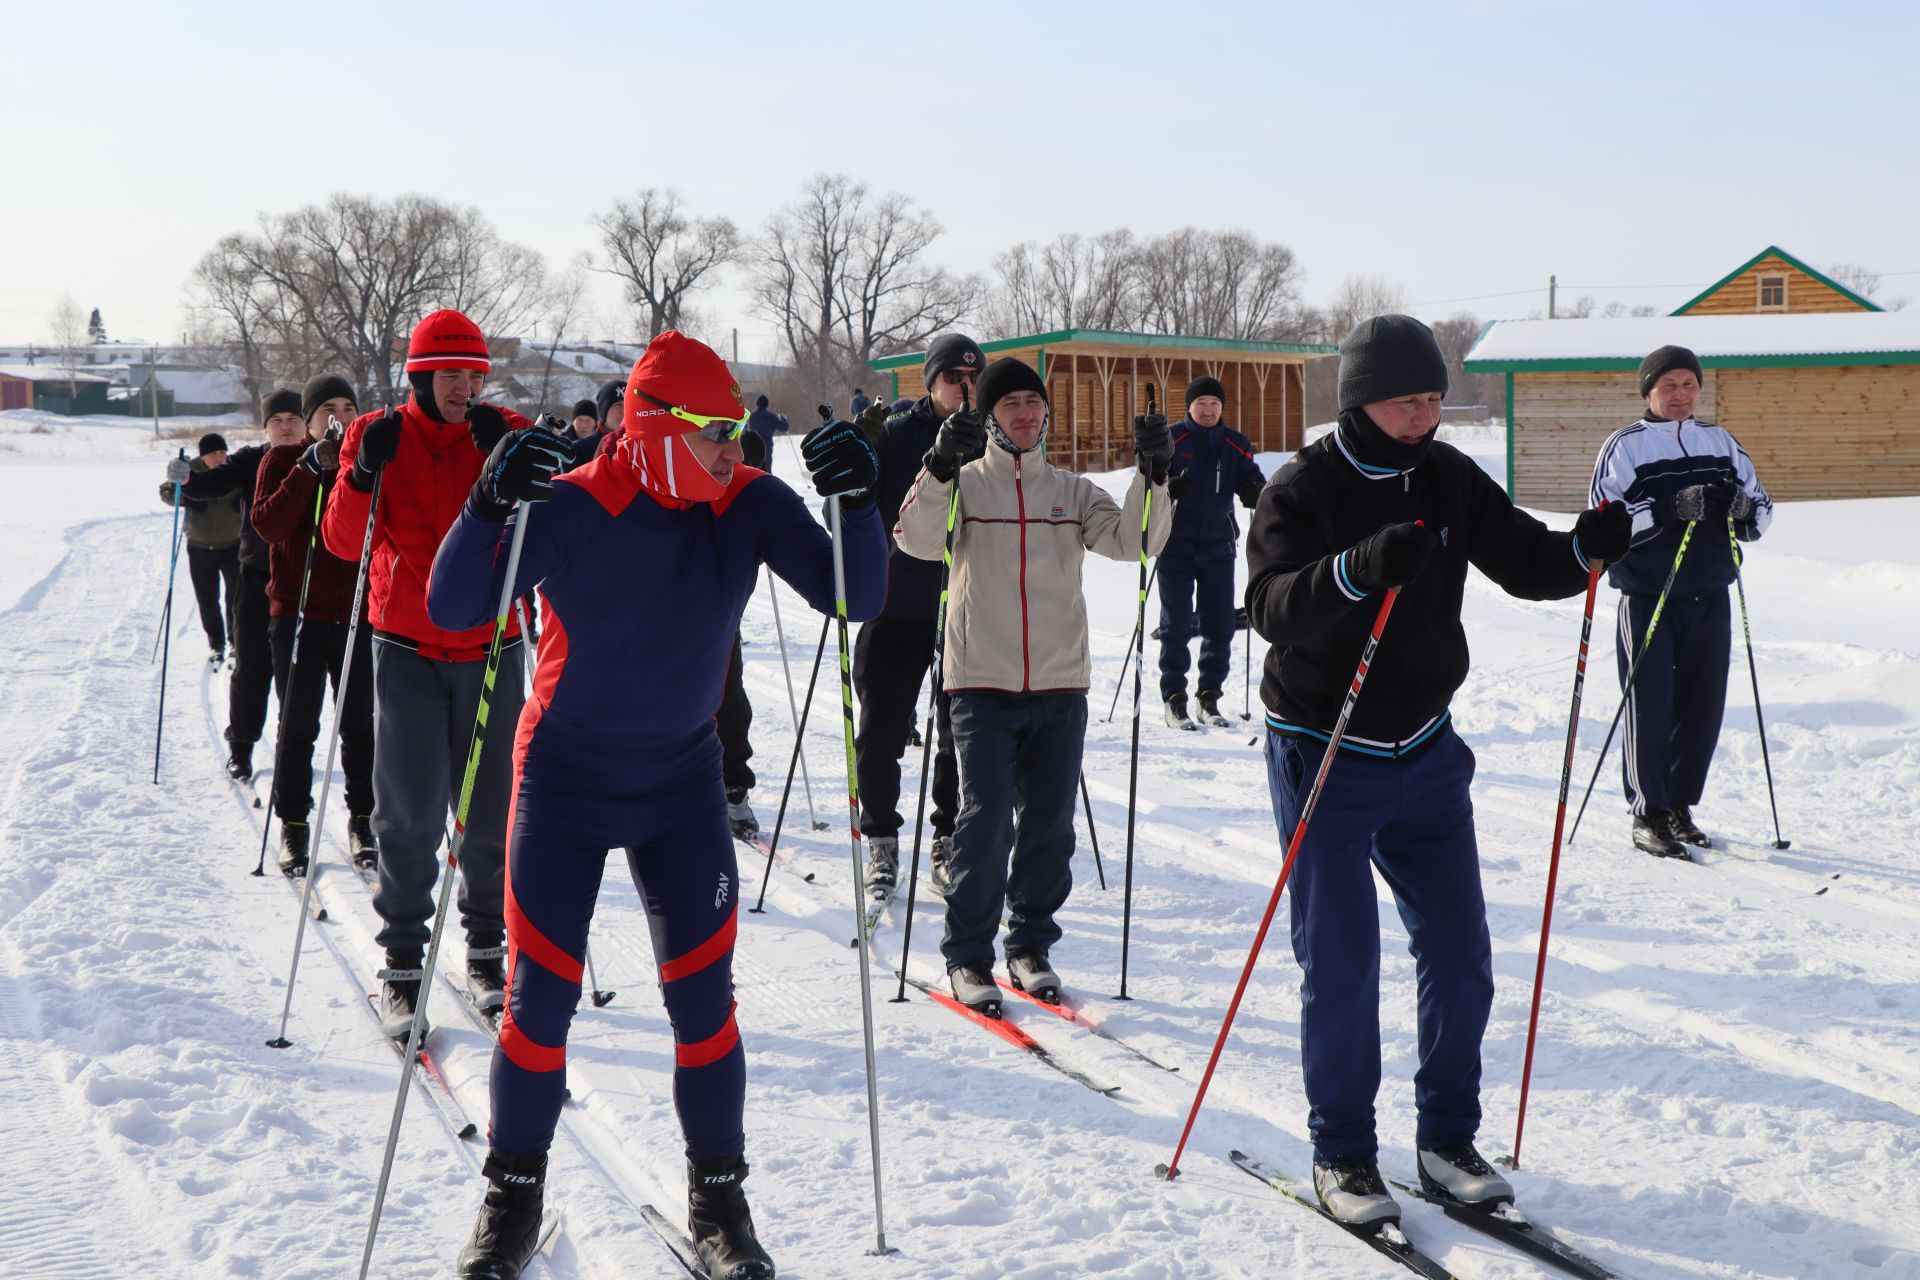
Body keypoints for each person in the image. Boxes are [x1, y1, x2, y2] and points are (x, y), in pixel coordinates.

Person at [427, 330, 884, 1280]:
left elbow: (856, 595)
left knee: (704, 1003)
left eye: (737, 428)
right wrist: (486, 503)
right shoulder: (579, 501)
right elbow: (454, 605)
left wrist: (857, 499)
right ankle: (510, 1202)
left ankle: (721, 1206)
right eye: (714, 430)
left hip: (681, 786)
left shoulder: (748, 501)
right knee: (538, 1004)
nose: (736, 446)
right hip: (564, 780)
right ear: (651, 424)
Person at [1244, 314, 1632, 1228]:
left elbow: (1527, 559)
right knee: (1340, 962)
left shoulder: (1448, 477)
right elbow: (1267, 607)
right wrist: (1354, 569)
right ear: (1358, 401)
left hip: (1424, 748)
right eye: (1405, 400)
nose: (1424, 415)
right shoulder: (1303, 489)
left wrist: (1586, 545)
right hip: (1326, 748)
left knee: (1460, 956)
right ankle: (1342, 1152)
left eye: (1431, 398)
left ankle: (1445, 1137)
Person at [895, 356, 1172, 1010]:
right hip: (980, 683)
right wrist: (937, 467)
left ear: (1045, 412)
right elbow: (915, 539)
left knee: (1050, 829)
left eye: (1032, 403)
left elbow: (1136, 540)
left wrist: (1152, 474)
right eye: (1010, 403)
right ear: (989, 415)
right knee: (984, 823)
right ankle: (968, 957)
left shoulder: (1071, 492)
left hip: (1058, 684)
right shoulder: (963, 484)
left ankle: (1028, 947)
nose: (1024, 413)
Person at [321, 308, 533, 1039]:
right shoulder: (375, 435)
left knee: (491, 813)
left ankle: (484, 952)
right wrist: (359, 471)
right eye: (451, 375)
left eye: (476, 375)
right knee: (406, 817)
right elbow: (344, 544)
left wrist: (509, 460)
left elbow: (547, 522)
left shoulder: (506, 429)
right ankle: (403, 967)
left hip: (493, 649)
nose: (466, 387)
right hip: (407, 649)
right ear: (419, 375)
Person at [1590, 344, 1772, 859]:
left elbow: (1760, 509)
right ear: (1647, 391)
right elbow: (1605, 521)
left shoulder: (1720, 441)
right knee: (1650, 704)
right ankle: (1648, 812)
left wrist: (1741, 510)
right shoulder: (1626, 446)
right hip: (1649, 595)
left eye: (1689, 384)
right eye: (1668, 385)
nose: (1680, 395)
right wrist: (1668, 508)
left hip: (1710, 592)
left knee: (1701, 706)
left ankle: (1678, 807)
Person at [851, 333, 983, 898]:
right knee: (880, 725)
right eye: (955, 377)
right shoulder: (900, 434)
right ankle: (880, 838)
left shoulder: (993, 439)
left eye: (974, 378)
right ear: (931, 382)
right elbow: (857, 513)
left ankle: (947, 835)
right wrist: (856, 464)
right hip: (899, 601)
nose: (966, 388)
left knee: (959, 733)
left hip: (967, 607)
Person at [249, 374, 378, 877]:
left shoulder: (369, 461)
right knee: (299, 727)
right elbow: (267, 525)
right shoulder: (281, 459)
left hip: (357, 616)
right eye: (329, 409)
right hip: (296, 614)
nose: (340, 418)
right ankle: (294, 825)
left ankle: (363, 821)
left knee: (360, 729)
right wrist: (306, 470)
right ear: (309, 418)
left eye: (348, 407)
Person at [164, 402, 282, 780]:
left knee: (298, 676)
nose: (286, 427)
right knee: (250, 667)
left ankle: (293, 751)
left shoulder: (324, 459)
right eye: (276, 420)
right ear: (266, 427)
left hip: (304, 583)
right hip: (251, 570)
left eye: (294, 418)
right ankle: (242, 746)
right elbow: (209, 484)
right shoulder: (251, 460)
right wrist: (185, 483)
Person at [1157, 375, 1266, 730]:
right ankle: (1174, 700)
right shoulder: (1172, 439)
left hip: (1219, 548)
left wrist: (1254, 489)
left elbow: (1251, 478)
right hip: (1175, 547)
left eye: (1214, 404)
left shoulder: (1235, 444)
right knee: (1176, 625)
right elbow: (1148, 482)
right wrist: (1169, 489)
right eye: (1201, 403)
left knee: (1219, 625)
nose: (1208, 410)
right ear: (1189, 406)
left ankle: (1209, 698)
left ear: (1222, 408)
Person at [160, 432, 242, 665]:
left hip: (232, 545)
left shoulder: (232, 470)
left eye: (223, 452)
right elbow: (167, 493)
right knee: (207, 598)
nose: (220, 457)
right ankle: (216, 643)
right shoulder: (190, 471)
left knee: (235, 597)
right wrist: (181, 493)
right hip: (199, 546)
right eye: (215, 453)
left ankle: (236, 642)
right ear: (203, 456)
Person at [745, 394, 780, 463]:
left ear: (757, 403)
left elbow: (747, 429)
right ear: (766, 404)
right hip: (767, 446)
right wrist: (783, 419)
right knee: (767, 467)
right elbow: (784, 427)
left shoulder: (752, 416)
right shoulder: (771, 416)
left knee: (755, 467)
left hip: (753, 446)